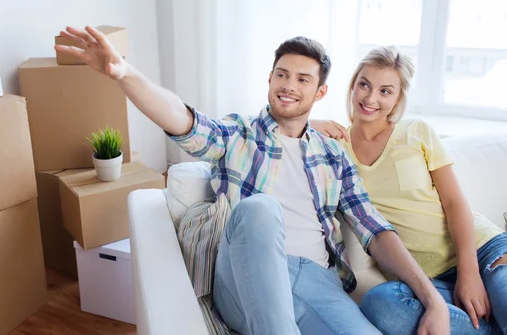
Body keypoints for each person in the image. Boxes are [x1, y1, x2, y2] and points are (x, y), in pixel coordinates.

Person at [55, 28, 450, 335]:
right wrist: (125, 74)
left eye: (302, 79)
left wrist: (431, 297)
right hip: (243, 276)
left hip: (315, 281)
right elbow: (183, 119)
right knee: (261, 208)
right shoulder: (238, 134)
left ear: (321, 91)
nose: (289, 86)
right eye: (282, 74)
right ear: (269, 78)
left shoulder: (333, 156)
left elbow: (375, 230)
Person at [313, 46, 507, 335]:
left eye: (385, 91)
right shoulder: (335, 148)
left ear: (398, 98)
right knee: (380, 305)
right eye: (364, 84)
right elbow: (269, 126)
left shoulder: (416, 131)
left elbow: (454, 202)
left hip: (481, 252)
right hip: (423, 282)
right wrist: (306, 122)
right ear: (352, 85)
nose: (370, 97)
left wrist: (470, 273)